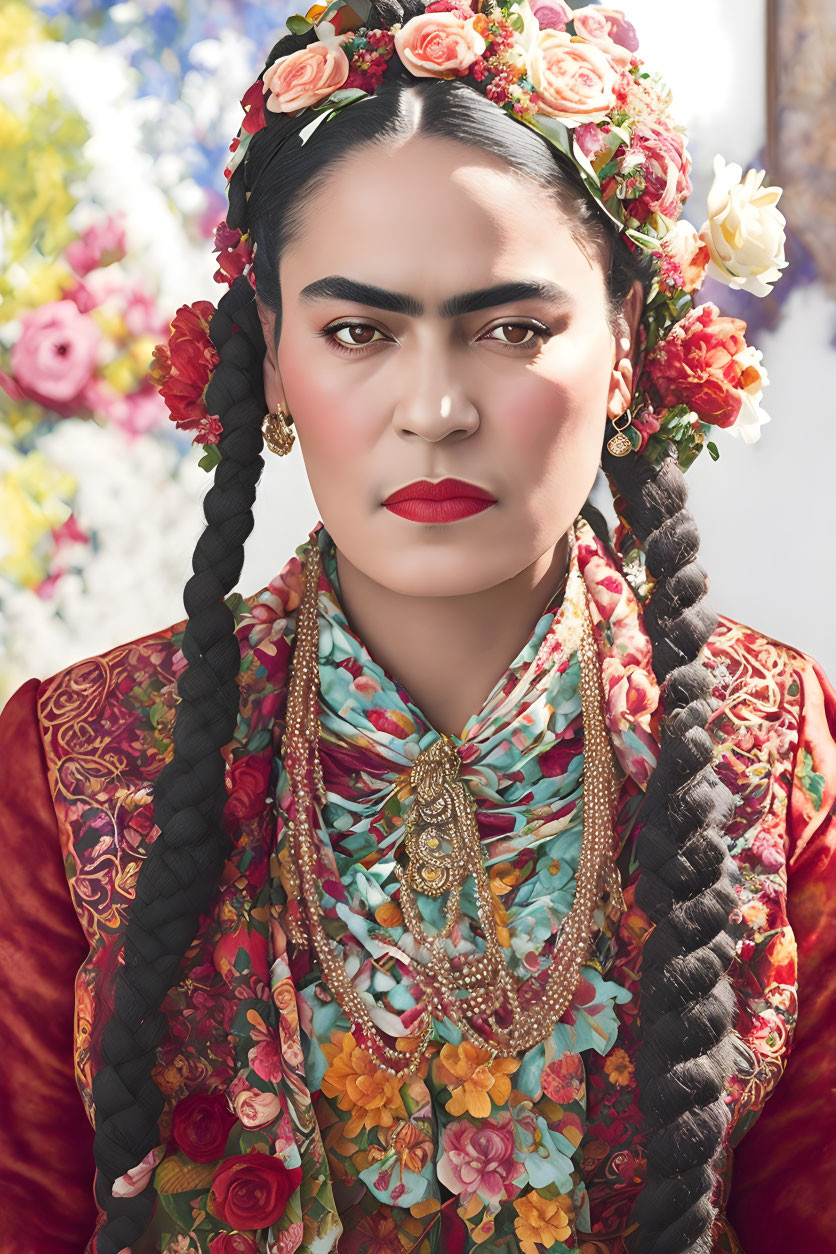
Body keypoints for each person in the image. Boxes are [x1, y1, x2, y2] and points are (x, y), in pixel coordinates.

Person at [1, 1, 834, 1252]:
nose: (435, 408)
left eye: (511, 329)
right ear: (270, 359)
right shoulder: (78, 756)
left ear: (625, 352)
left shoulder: (779, 752)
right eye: (357, 332)